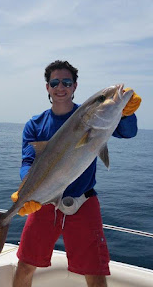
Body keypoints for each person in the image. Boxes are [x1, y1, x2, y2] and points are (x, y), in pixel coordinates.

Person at [11, 60, 142, 287]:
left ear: (74, 86)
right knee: (25, 265)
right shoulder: (35, 124)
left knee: (95, 272)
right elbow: (28, 162)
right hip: (44, 202)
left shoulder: (98, 119)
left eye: (66, 82)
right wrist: (26, 189)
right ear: (47, 87)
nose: (60, 87)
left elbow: (128, 132)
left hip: (84, 201)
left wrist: (126, 112)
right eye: (55, 82)